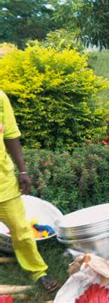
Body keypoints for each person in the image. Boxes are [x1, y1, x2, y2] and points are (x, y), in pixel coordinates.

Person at [0, 90, 58, 292]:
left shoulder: (0, 98)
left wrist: (23, 170)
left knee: (22, 231)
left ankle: (38, 272)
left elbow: (11, 135)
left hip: (3, 183)